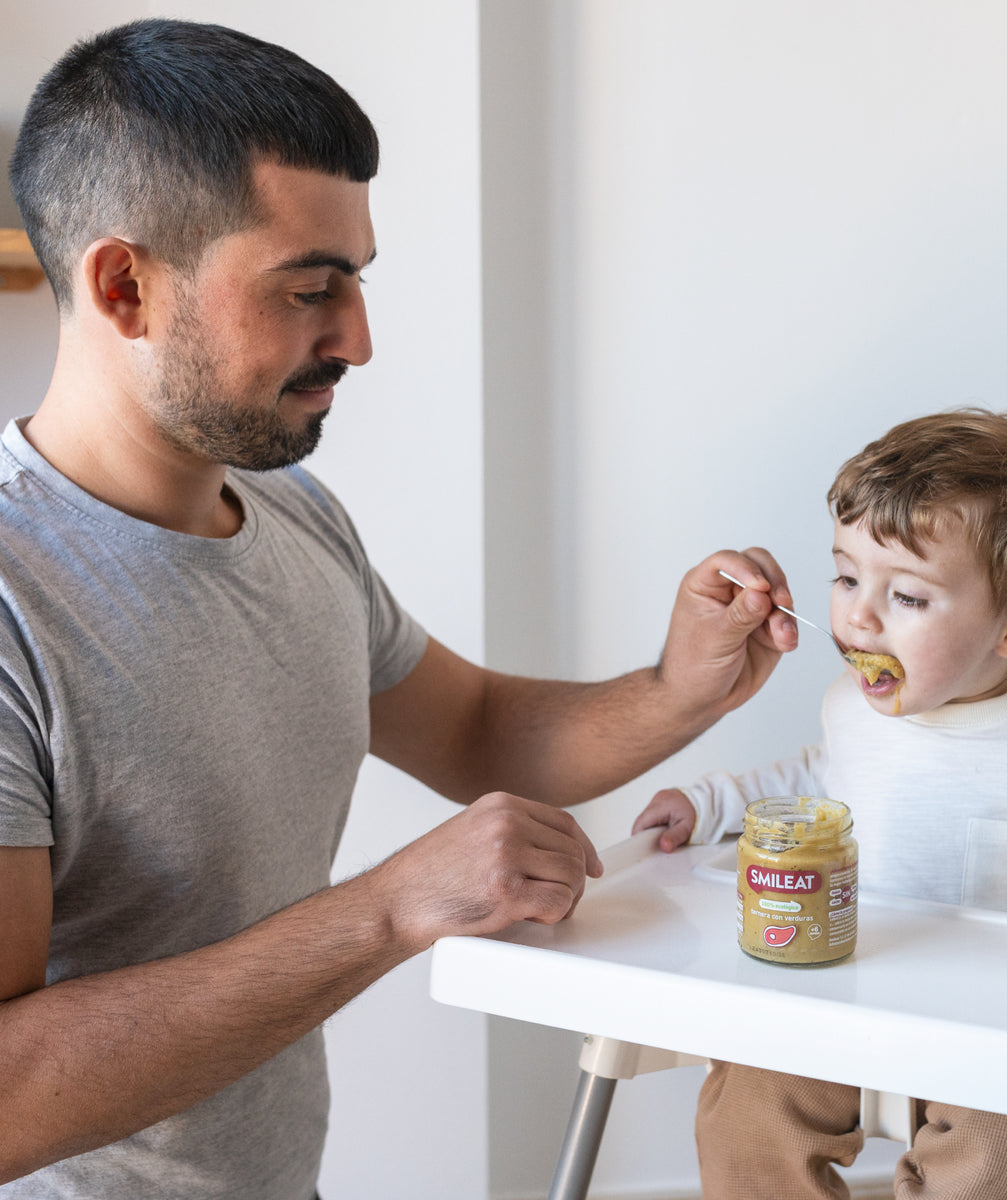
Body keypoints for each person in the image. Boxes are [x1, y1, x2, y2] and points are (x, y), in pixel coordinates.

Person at [0, 19, 802, 1197]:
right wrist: (386, 909)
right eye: (309, 289)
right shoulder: (18, 599)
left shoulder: (296, 519)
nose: (358, 340)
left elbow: (476, 730)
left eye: (358, 282)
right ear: (125, 286)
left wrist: (681, 686)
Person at [633, 408, 1007, 1200]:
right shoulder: (852, 705)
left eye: (905, 595)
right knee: (747, 1103)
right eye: (846, 576)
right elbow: (817, 778)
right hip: (854, 981)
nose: (858, 615)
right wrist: (710, 803)